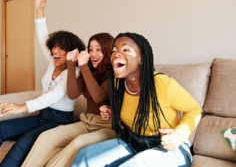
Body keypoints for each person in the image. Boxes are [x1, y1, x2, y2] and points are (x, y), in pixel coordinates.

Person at [0, 0, 86, 167]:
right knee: (1, 129)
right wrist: (40, 10)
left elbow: (53, 96)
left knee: (23, 143)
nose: (54, 50)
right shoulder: (53, 62)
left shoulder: (73, 72)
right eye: (54, 46)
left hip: (59, 121)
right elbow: (42, 37)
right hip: (42, 115)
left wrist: (22, 107)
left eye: (60, 48)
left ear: (70, 52)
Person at [71, 32, 201, 167]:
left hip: (168, 147)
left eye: (126, 50)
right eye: (114, 51)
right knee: (85, 156)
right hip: (132, 141)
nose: (117, 54)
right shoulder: (119, 84)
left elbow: (194, 109)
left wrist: (179, 135)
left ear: (141, 57)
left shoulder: (163, 84)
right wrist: (113, 112)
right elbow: (133, 111)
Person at [22, 32, 115, 167]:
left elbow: (98, 96)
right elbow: (72, 94)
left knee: (78, 143)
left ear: (108, 51)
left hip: (108, 127)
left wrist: (83, 67)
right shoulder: (89, 70)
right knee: (45, 137)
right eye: (90, 50)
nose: (93, 53)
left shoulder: (115, 73)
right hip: (87, 122)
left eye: (98, 50)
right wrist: (71, 65)